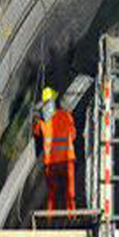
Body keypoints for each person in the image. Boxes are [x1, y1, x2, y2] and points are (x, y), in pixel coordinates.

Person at [33, 87, 76, 215]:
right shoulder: (66, 116)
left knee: (52, 194)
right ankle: (71, 216)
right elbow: (73, 136)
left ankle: (51, 217)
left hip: (51, 163)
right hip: (67, 160)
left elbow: (36, 132)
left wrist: (36, 116)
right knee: (70, 193)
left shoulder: (42, 123)